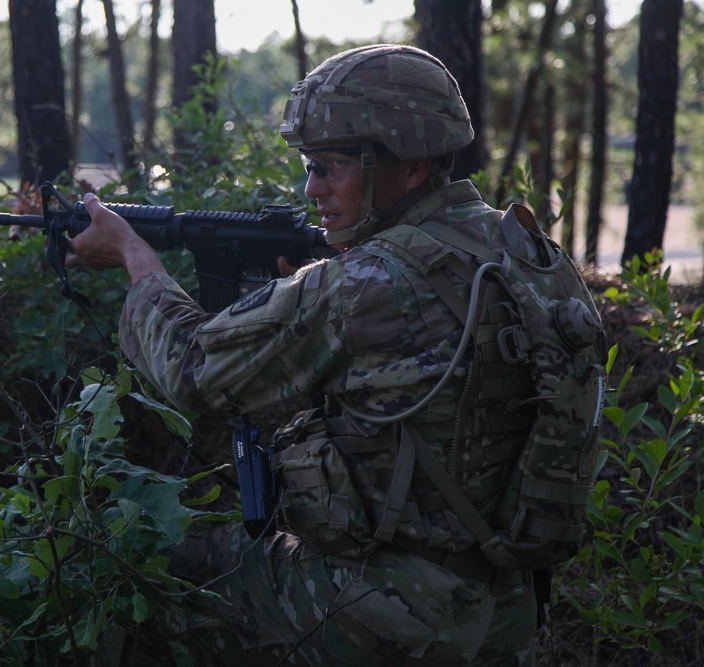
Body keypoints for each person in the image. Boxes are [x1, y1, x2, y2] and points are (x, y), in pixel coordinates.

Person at [66, 44, 594, 666]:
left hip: (384, 614)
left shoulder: (362, 285)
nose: (311, 188)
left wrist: (135, 258)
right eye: (310, 166)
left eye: (331, 166)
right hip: (506, 609)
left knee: (148, 564)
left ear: (412, 164)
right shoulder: (527, 253)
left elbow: (192, 367)